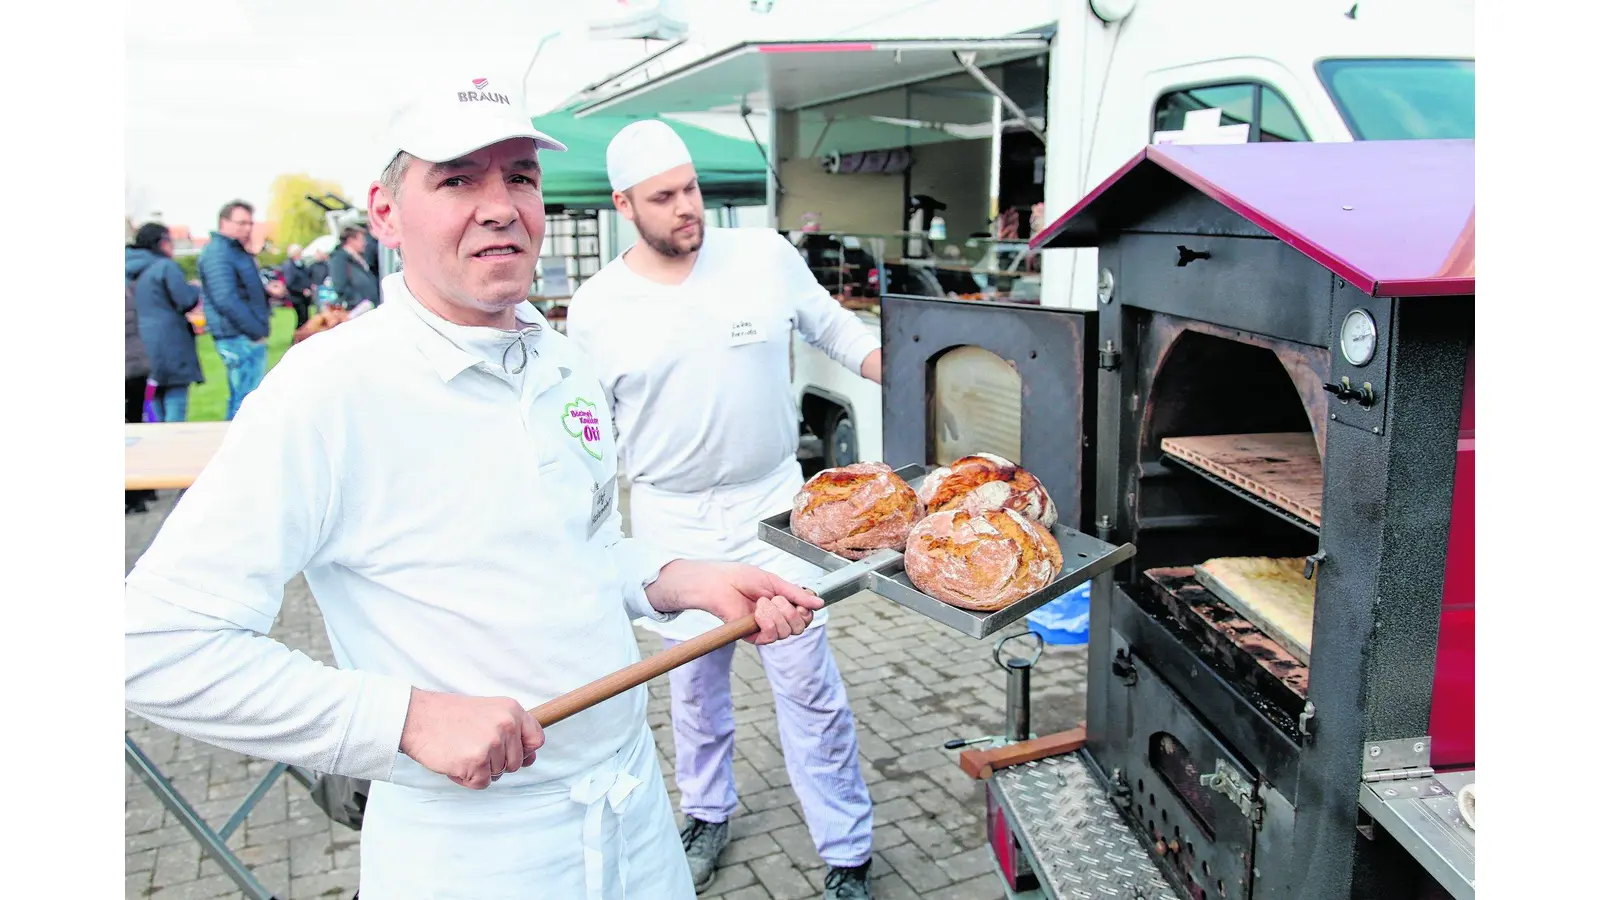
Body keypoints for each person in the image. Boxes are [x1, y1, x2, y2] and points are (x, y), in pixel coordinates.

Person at [124, 73, 824, 900]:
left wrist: (681, 580)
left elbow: (582, 544)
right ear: (387, 214)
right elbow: (152, 644)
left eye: (519, 177)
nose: (501, 205)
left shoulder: (562, 360)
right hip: (471, 846)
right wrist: (404, 720)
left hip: (634, 809)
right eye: (457, 179)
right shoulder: (329, 389)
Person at [566, 120, 884, 900]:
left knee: (808, 682)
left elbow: (838, 330)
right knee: (694, 686)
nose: (687, 208)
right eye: (664, 197)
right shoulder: (598, 306)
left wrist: (919, 372)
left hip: (775, 506)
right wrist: (586, 542)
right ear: (623, 205)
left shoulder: (762, 255)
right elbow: (589, 442)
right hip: (673, 519)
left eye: (692, 189)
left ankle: (847, 855)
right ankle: (706, 814)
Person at [197, 200, 271, 419]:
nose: (247, 228)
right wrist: (255, 330)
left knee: (248, 398)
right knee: (244, 401)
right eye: (241, 223)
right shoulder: (218, 253)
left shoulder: (235, 251)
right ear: (224, 222)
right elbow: (225, 298)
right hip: (237, 335)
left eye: (250, 223)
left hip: (244, 333)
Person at [127, 223, 203, 422]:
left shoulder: (128, 269)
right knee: (175, 402)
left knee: (151, 405)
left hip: (137, 347)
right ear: (162, 242)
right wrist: (194, 289)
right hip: (170, 344)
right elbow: (185, 299)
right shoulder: (165, 267)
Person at [329, 225, 380, 310]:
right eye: (362, 239)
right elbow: (340, 286)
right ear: (351, 240)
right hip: (357, 310)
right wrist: (358, 301)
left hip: (369, 308)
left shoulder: (359, 258)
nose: (365, 243)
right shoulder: (339, 259)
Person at [282, 243, 316, 328]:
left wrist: (310, 285)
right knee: (302, 319)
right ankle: (298, 338)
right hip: (297, 297)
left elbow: (305, 277)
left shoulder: (301, 265)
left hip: (304, 298)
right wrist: (302, 290)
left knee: (305, 318)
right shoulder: (289, 266)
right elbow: (290, 283)